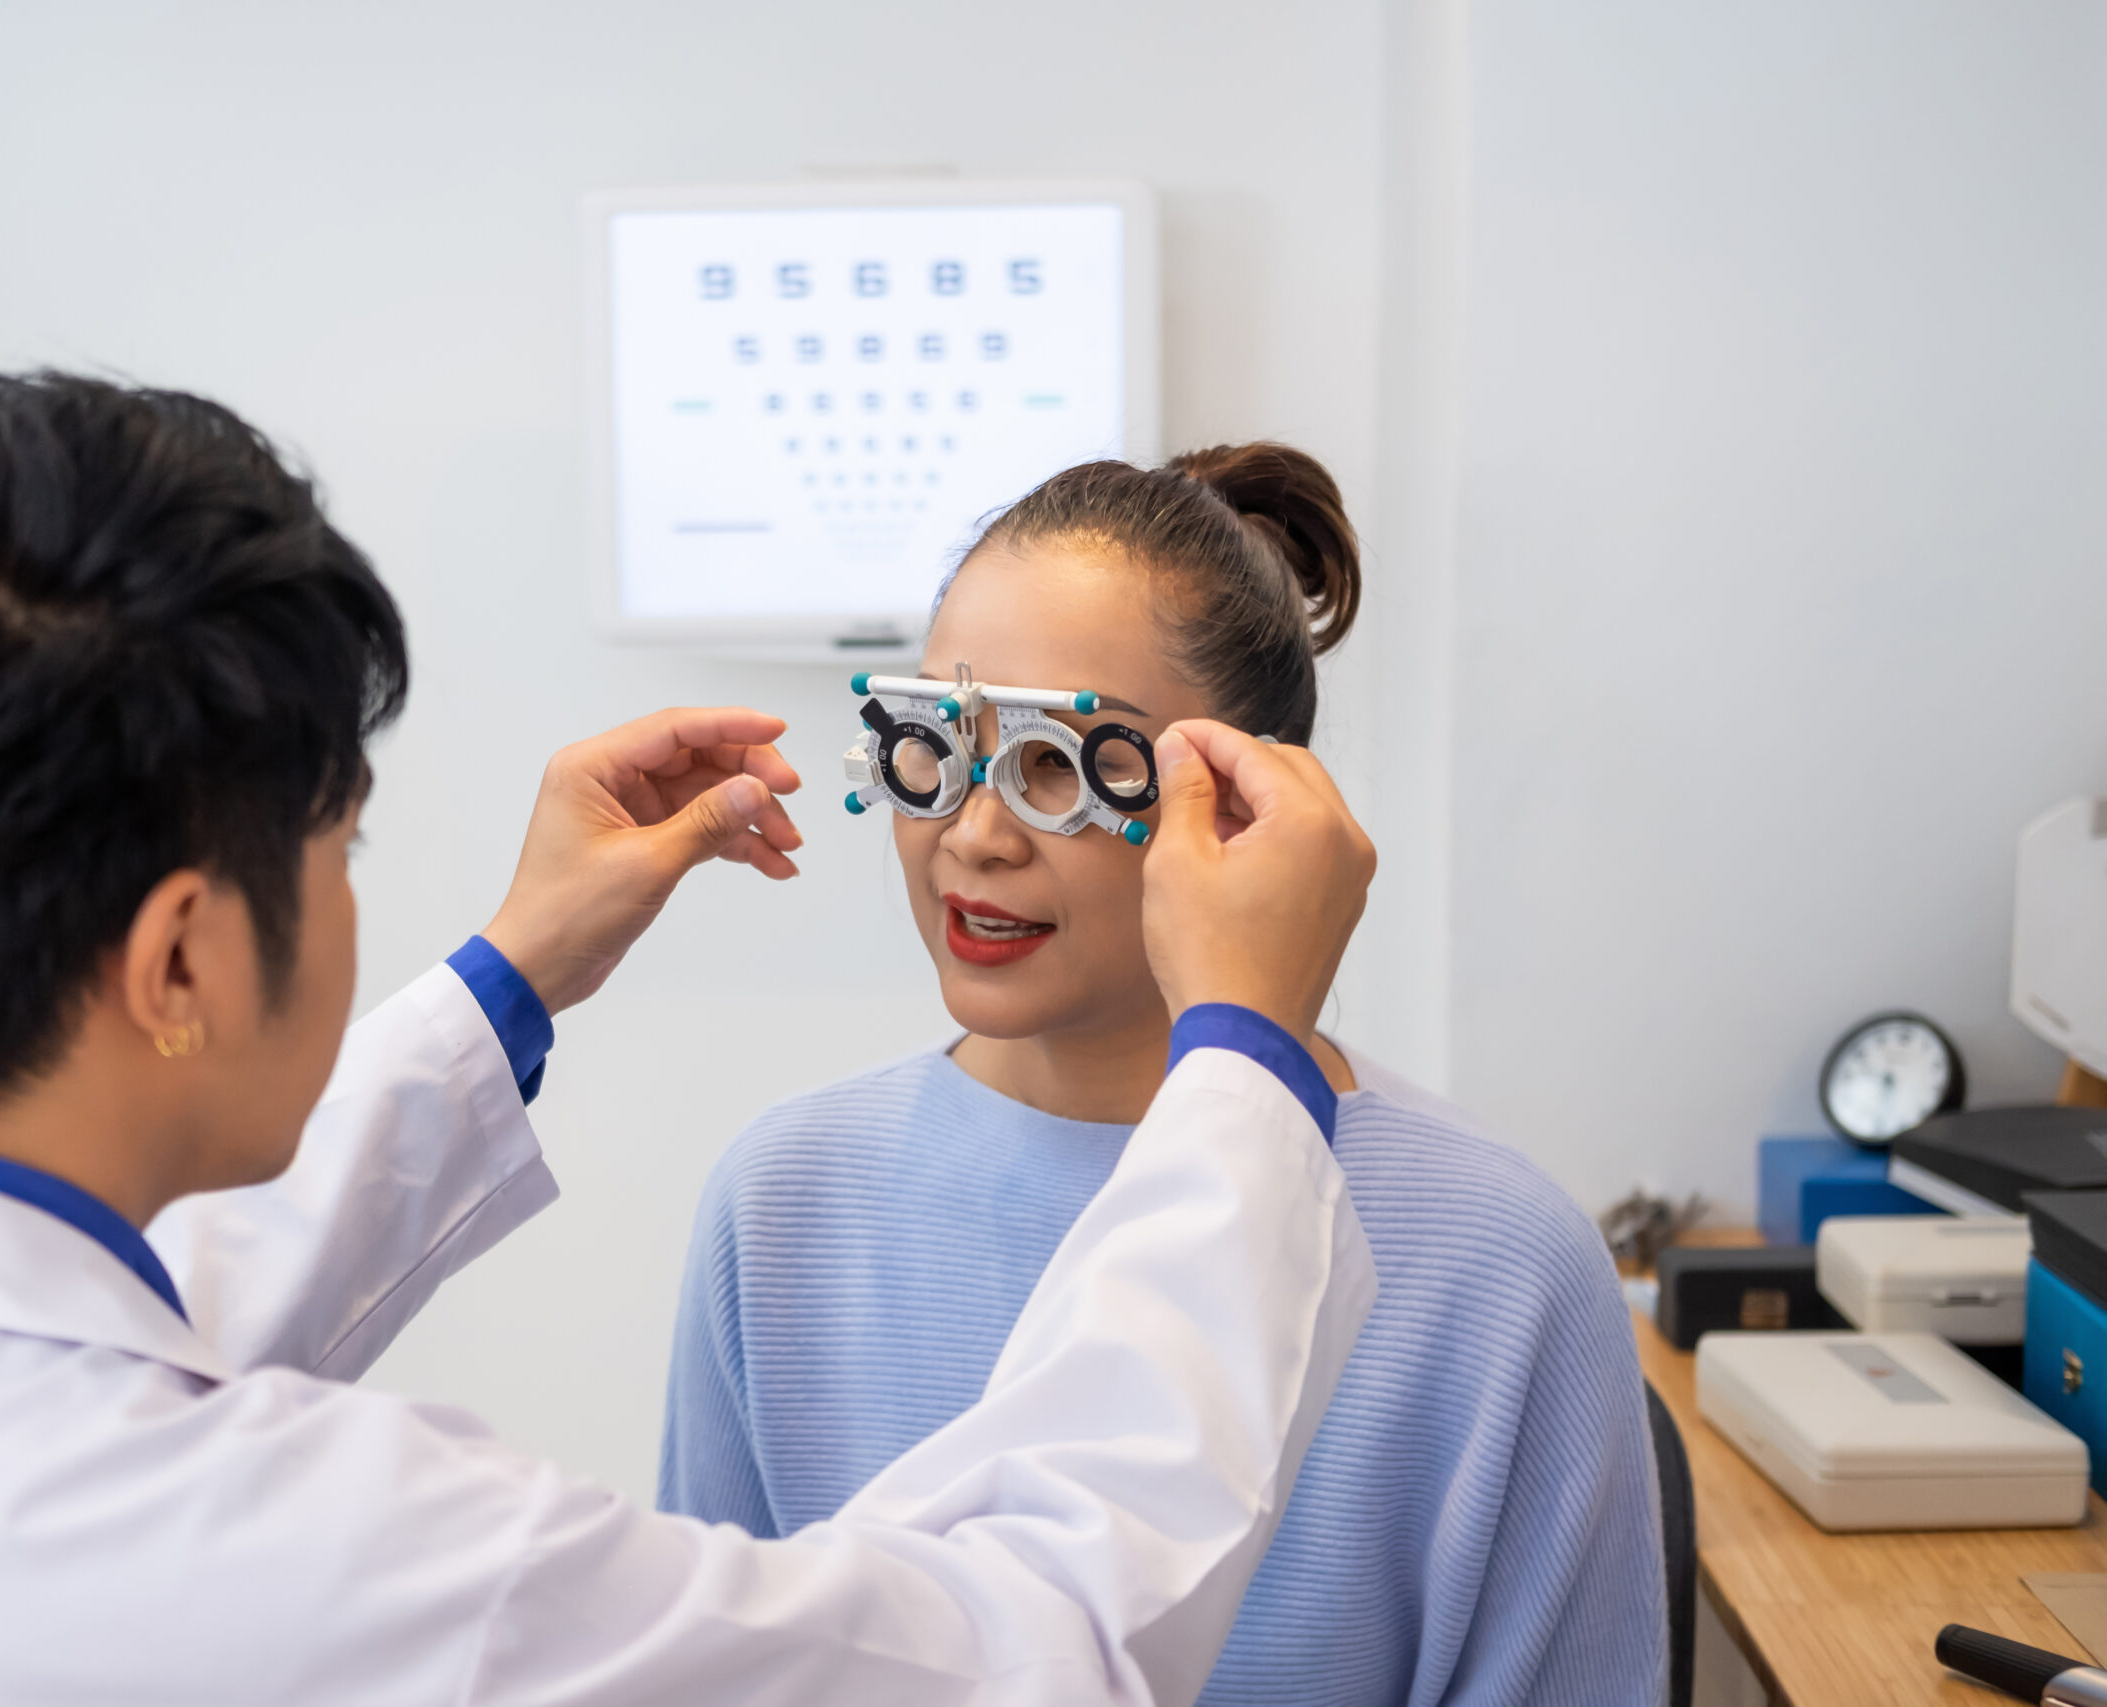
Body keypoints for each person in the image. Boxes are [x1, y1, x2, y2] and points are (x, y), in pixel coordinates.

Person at [0, 376, 1381, 1706]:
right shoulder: (346, 1556)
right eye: (339, 848)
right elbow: (1025, 1638)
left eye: (1064, 765)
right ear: (180, 952)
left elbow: (75, 1315)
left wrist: (519, 970)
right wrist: (1244, 1065)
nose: (985, 825)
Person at [660, 445, 1664, 1705]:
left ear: (1247, 808)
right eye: (938, 744)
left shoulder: (1501, 1265)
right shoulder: (781, 1206)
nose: (974, 835)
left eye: (1058, 766)